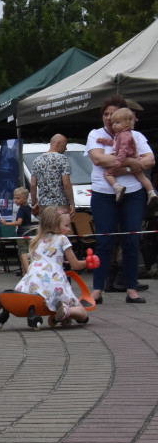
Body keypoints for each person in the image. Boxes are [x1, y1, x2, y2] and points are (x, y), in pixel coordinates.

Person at [86, 94, 155, 305]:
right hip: (103, 193)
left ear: (125, 117)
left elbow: (150, 159)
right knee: (105, 241)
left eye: (113, 114)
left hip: (133, 193)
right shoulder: (95, 134)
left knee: (132, 240)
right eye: (106, 114)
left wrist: (117, 164)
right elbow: (98, 158)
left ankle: (132, 289)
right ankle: (97, 290)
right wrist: (131, 164)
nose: (109, 118)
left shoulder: (136, 135)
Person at [0, 206, 89, 324]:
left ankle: (3, 304)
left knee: (25, 301)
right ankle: (66, 310)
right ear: (55, 226)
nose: (69, 229)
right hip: (54, 282)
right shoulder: (62, 239)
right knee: (82, 312)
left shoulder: (37, 240)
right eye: (66, 226)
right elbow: (75, 265)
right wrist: (88, 263)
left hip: (31, 281)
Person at [96, 108, 158, 207]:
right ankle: (151, 192)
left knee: (107, 173)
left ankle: (117, 187)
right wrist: (104, 141)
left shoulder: (124, 135)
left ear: (127, 123)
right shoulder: (122, 134)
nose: (114, 125)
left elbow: (123, 149)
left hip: (127, 157)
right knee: (142, 177)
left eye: (117, 123)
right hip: (134, 158)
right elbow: (115, 143)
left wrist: (119, 161)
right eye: (113, 123)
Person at [30, 134, 75, 216]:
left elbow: (33, 185)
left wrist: (35, 202)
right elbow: (66, 183)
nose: (66, 148)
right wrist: (72, 203)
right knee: (60, 227)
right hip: (60, 204)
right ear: (58, 143)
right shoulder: (63, 159)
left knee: (46, 228)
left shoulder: (37, 160)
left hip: (44, 205)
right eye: (65, 145)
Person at [0, 187, 33, 274]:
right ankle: (24, 273)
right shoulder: (29, 208)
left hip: (22, 233)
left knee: (23, 253)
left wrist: (6, 223)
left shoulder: (21, 209)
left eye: (18, 198)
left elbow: (19, 222)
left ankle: (29, 272)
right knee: (29, 252)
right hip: (29, 232)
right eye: (15, 198)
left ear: (25, 198)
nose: (15, 200)